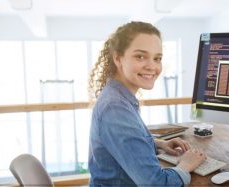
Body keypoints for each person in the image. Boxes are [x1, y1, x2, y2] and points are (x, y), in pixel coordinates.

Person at [88, 21, 206, 186]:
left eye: (157, 58)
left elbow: (121, 143)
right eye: (140, 56)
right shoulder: (115, 107)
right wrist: (186, 164)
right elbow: (155, 184)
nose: (152, 66)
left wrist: (158, 143)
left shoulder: (118, 96)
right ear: (118, 58)